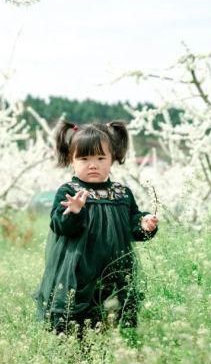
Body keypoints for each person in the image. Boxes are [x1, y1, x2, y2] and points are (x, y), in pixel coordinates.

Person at [32, 120, 159, 342]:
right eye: (84, 158)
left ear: (112, 159)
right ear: (71, 160)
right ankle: (77, 351)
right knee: (78, 319)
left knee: (116, 314)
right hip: (80, 268)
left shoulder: (121, 193)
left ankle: (116, 349)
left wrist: (144, 224)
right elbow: (60, 226)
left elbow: (132, 224)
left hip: (117, 266)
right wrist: (73, 212)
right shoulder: (70, 192)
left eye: (101, 158)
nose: (93, 165)